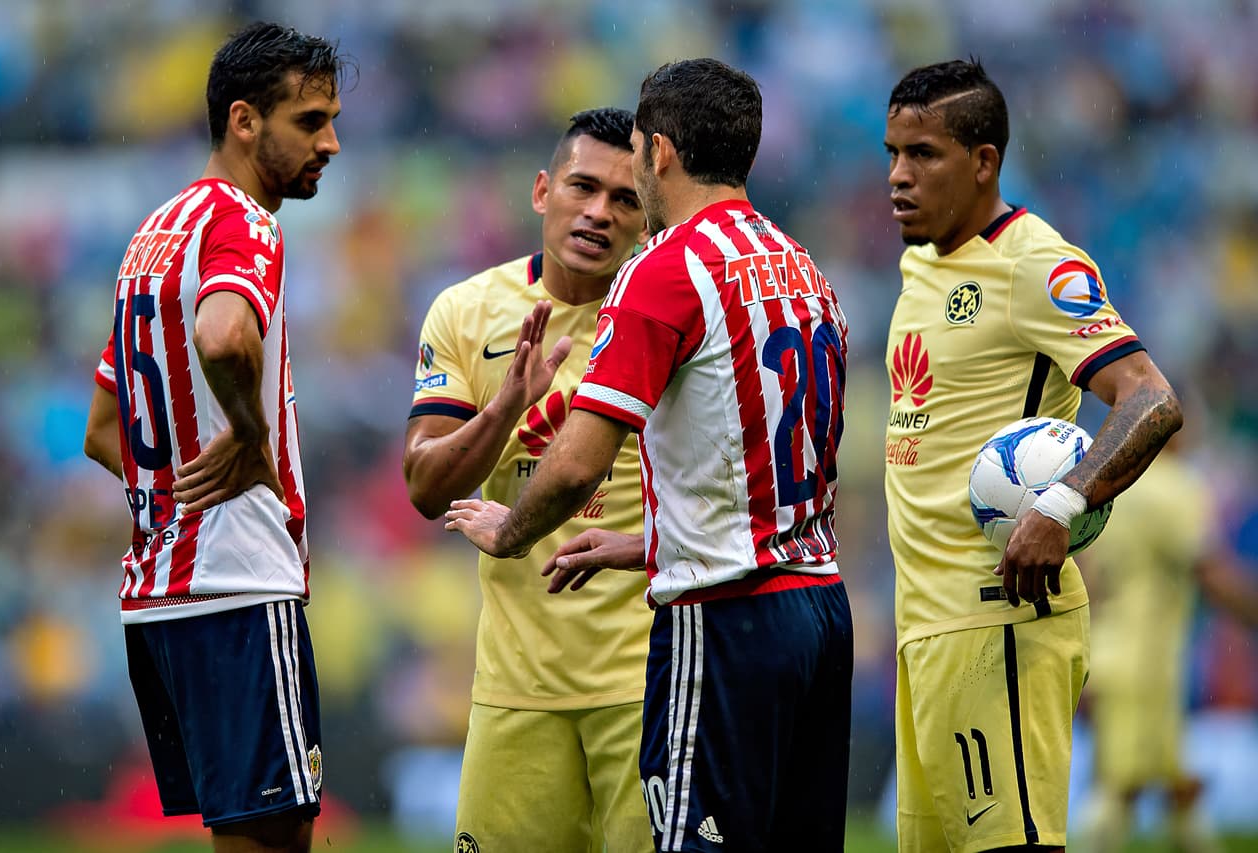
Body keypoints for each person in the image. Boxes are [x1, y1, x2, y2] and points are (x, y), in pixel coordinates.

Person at [445, 58, 855, 852]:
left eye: (633, 155)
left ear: (659, 151)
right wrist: (647, 541)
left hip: (725, 617)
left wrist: (511, 532)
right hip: (819, 609)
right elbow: (778, 466)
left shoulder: (664, 269)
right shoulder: (803, 269)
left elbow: (573, 465)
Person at [882, 58, 1183, 853]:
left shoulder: (1035, 265)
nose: (898, 176)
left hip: (1000, 619)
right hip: (927, 626)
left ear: (984, 162)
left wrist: (1062, 502)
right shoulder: (921, 262)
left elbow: (1150, 397)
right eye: (892, 154)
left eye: (923, 155)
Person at [82, 22, 346, 853]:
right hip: (237, 588)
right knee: (274, 842)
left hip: (159, 600)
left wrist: (175, 500)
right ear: (243, 120)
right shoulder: (243, 223)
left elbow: (101, 431)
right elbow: (226, 335)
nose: (331, 143)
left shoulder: (151, 237)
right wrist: (248, 433)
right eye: (310, 122)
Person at [402, 108, 653, 853]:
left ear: (647, 216)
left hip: (646, 680)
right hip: (516, 687)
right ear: (543, 191)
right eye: (583, 186)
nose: (600, 212)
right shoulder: (465, 310)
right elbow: (424, 486)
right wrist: (503, 408)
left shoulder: (668, 311)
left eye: (626, 198)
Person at [1078, 426, 1258, 853]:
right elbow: (1210, 570)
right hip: (1147, 663)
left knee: (1178, 785)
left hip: (1108, 650)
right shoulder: (1175, 487)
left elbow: (1086, 571)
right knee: (1118, 788)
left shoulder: (1109, 485)